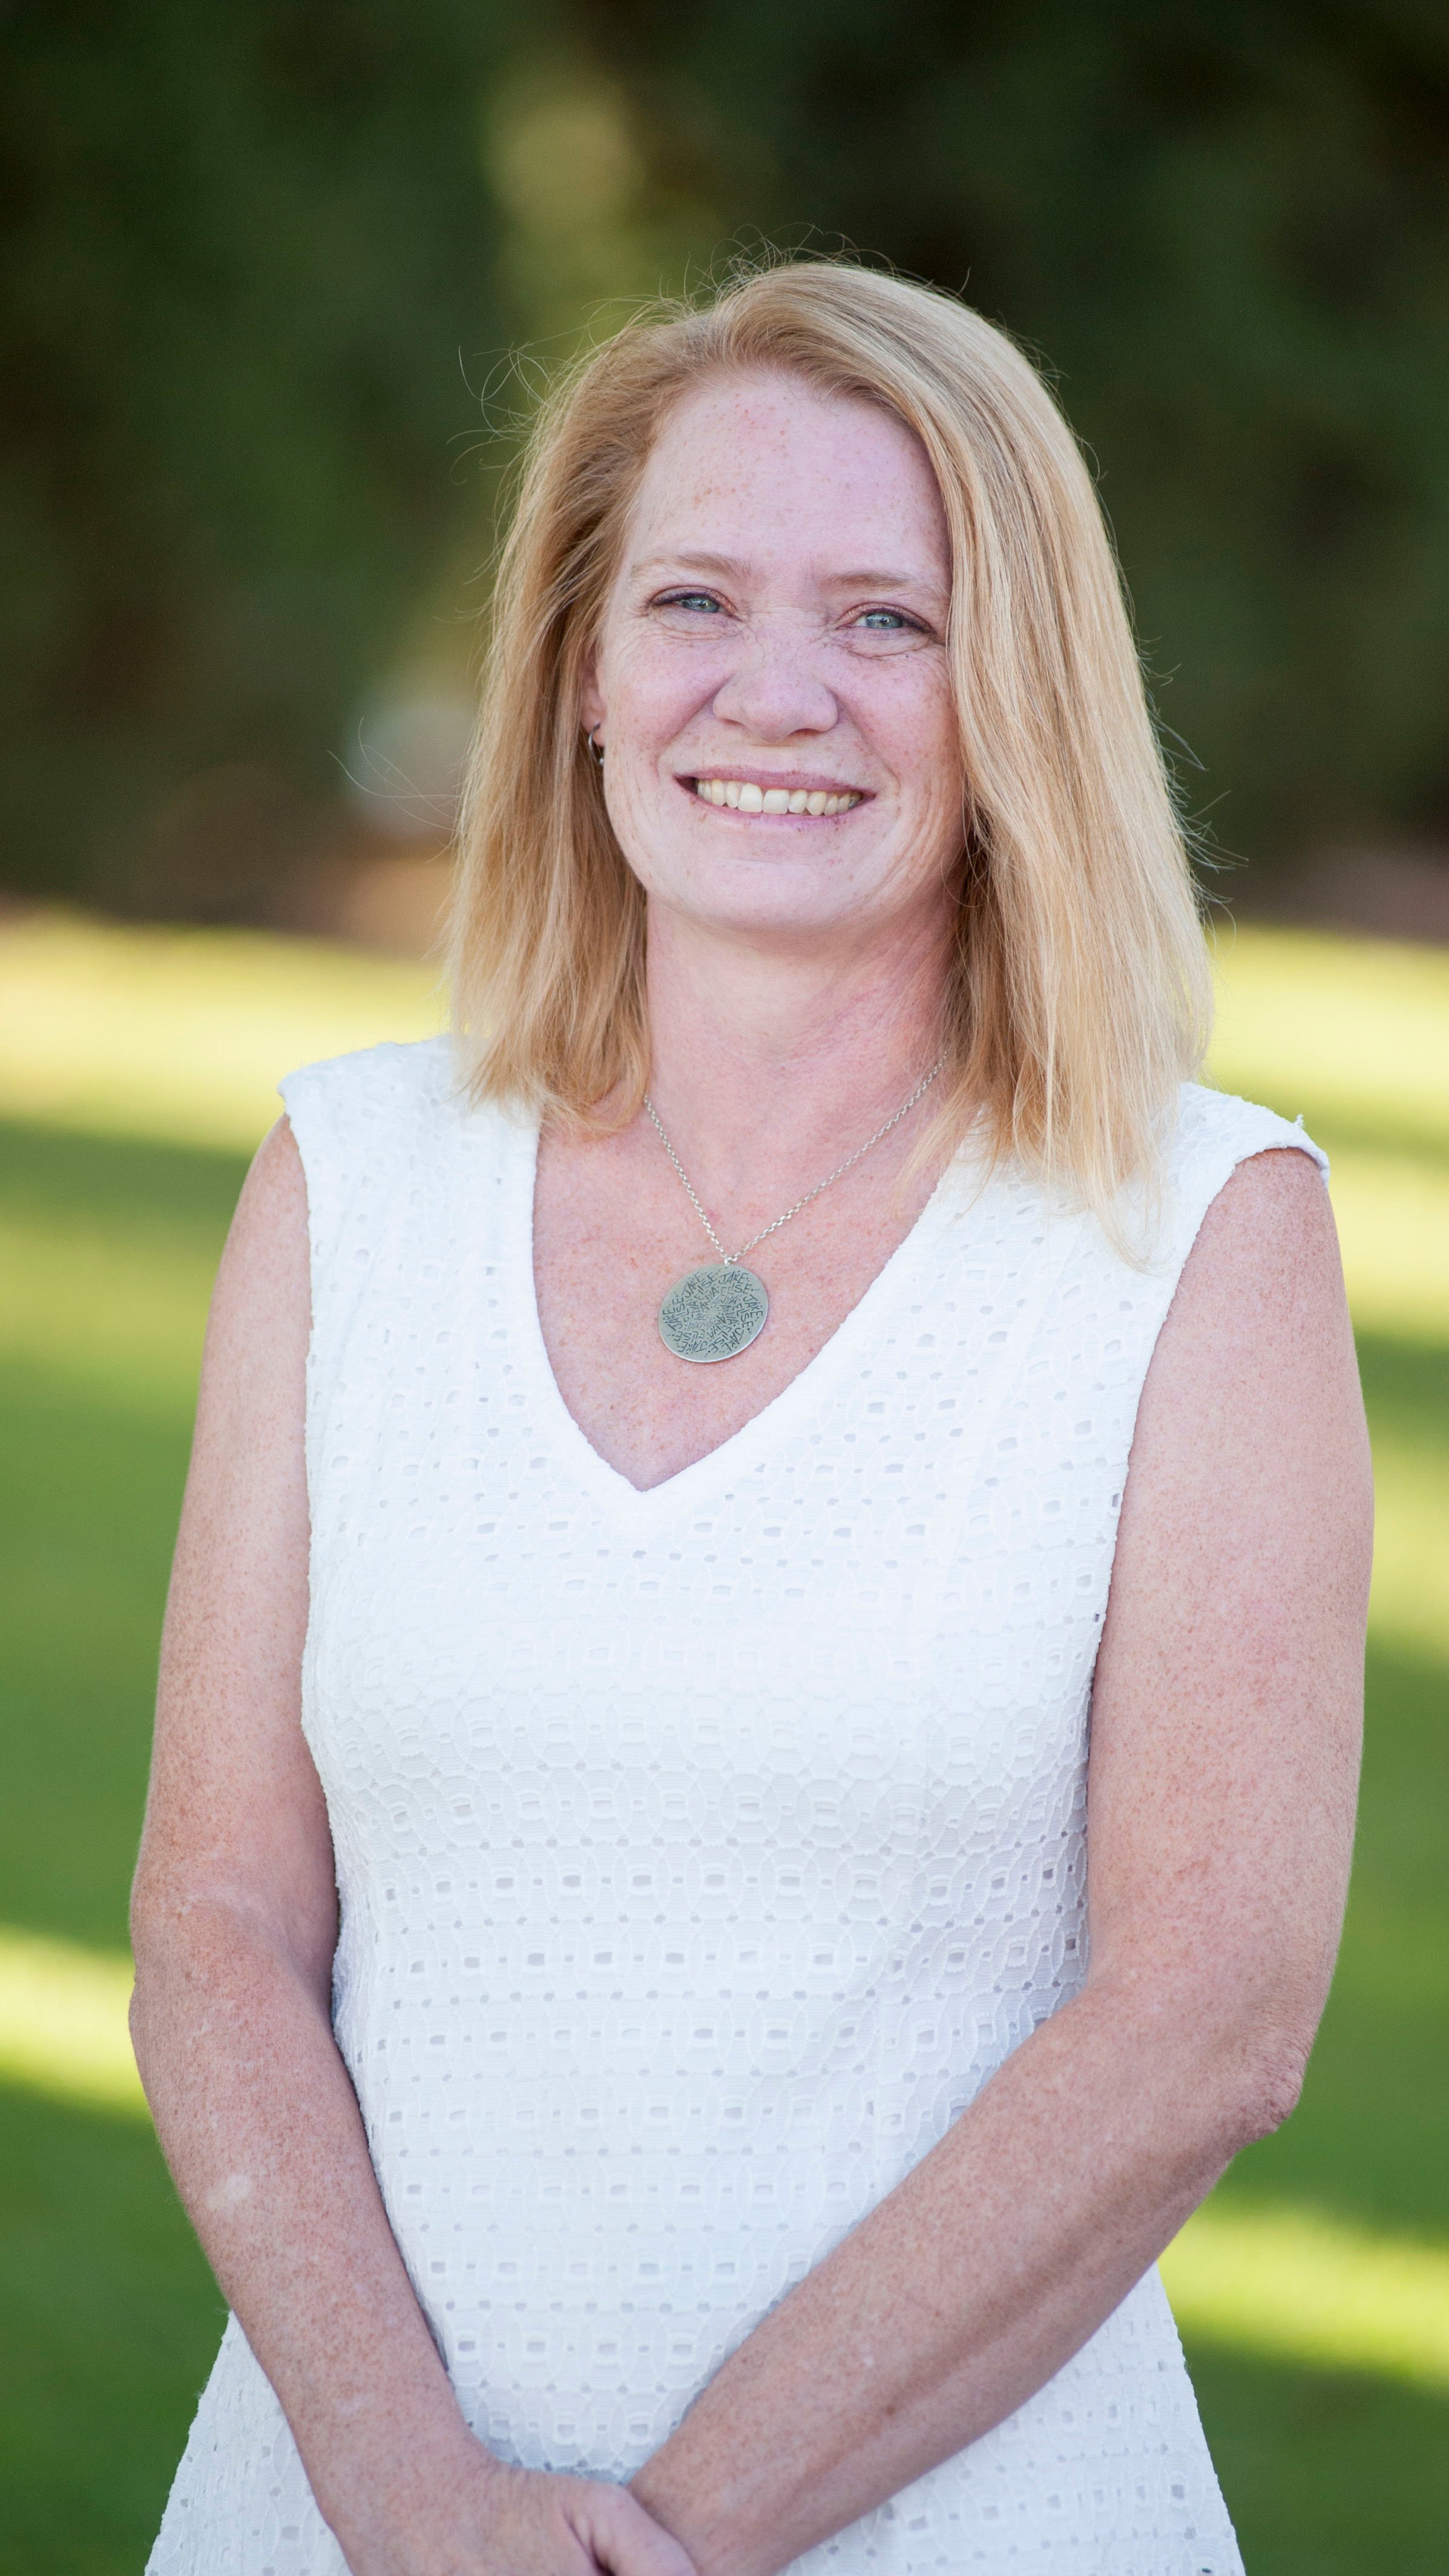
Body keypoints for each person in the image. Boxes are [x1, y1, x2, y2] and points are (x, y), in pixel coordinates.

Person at [133, 259, 1370, 2576]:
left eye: (889, 619)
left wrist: (664, 2539)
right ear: (577, 670)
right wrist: (411, 2505)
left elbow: (1209, 2013)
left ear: (1014, 696)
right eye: (692, 595)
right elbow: (212, 1917)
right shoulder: (351, 1181)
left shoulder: (1195, 1231)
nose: (774, 693)